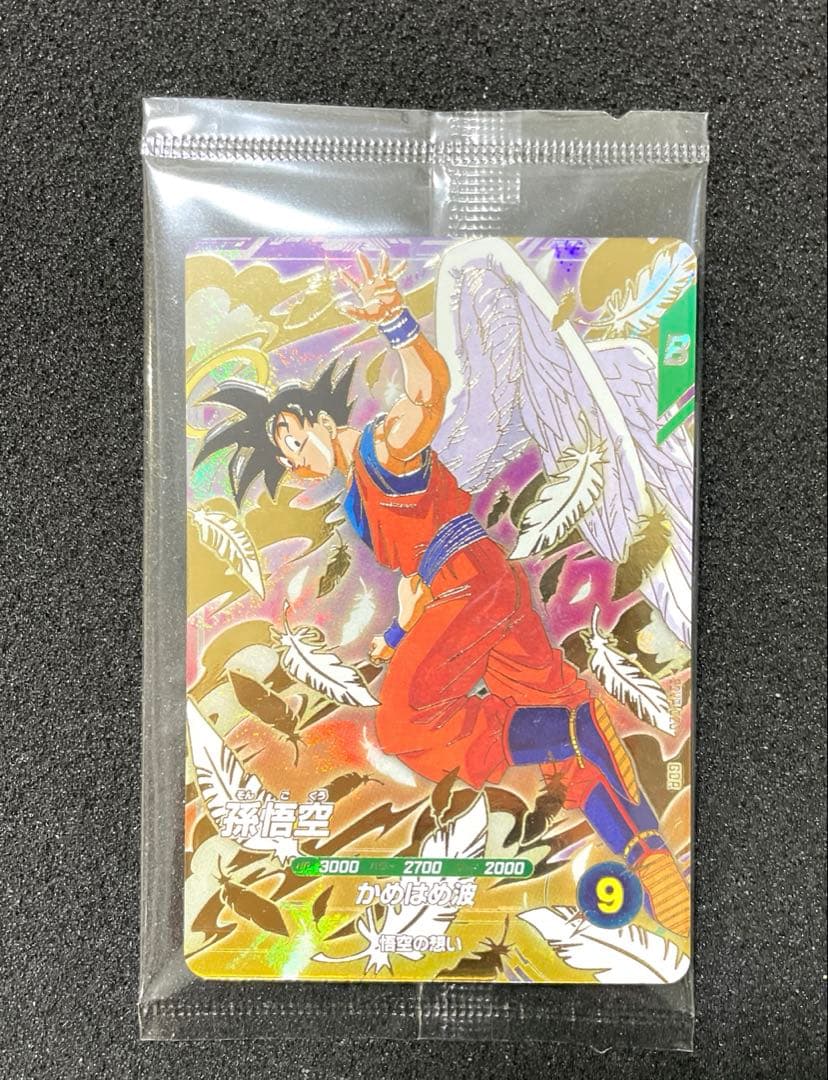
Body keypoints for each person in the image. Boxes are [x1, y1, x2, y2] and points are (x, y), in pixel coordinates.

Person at [195, 252, 690, 938]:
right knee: (560, 756)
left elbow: (428, 394)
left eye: (291, 439)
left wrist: (396, 319)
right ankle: (647, 853)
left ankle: (575, 731)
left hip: (470, 587)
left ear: (310, 418)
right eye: (284, 459)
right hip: (477, 588)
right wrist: (400, 632)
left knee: (405, 727)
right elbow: (417, 568)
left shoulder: (382, 448)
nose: (295, 459)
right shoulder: (361, 488)